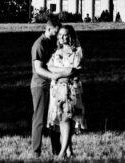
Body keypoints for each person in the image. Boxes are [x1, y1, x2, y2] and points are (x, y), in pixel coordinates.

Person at [31, 15, 75, 156]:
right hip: (40, 85)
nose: (57, 36)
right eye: (55, 32)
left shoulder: (53, 42)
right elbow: (38, 68)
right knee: (40, 119)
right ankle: (36, 152)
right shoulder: (39, 44)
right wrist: (54, 76)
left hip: (55, 87)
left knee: (55, 120)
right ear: (48, 28)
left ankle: (57, 151)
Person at [47, 25, 86, 158]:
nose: (63, 37)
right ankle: (69, 151)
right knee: (62, 120)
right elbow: (49, 66)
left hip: (70, 90)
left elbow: (73, 71)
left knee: (67, 119)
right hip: (57, 90)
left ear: (71, 36)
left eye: (66, 35)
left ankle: (62, 152)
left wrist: (57, 74)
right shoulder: (57, 51)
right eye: (61, 35)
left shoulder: (77, 51)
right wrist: (61, 73)